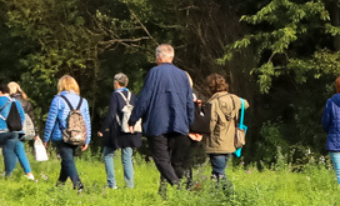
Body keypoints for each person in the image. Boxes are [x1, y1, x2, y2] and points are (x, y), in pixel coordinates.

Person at [132, 45, 195, 192]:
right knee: (174, 162)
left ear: (159, 57)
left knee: (162, 160)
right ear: (172, 57)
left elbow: (144, 98)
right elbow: (188, 102)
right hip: (179, 123)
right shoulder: (182, 75)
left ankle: (178, 188)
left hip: (157, 123)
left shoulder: (154, 73)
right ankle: (166, 191)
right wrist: (190, 122)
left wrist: (133, 118)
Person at [195, 73, 249, 184]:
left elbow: (210, 125)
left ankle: (231, 196)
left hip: (216, 144)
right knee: (216, 174)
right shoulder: (234, 99)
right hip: (230, 143)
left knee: (220, 174)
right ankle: (215, 197)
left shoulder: (212, 103)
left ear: (211, 88)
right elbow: (246, 104)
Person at [43, 75, 90, 191]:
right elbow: (87, 121)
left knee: (68, 160)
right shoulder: (83, 101)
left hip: (62, 135)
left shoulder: (58, 100)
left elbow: (51, 121)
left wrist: (46, 139)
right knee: (67, 160)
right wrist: (87, 139)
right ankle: (59, 186)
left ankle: (78, 185)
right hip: (78, 136)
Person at [0, 82, 36, 179]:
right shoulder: (15, 101)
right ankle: (8, 175)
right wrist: (17, 126)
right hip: (13, 132)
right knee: (9, 151)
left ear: (0, 92)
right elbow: (22, 116)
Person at [100, 72, 139, 191]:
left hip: (117, 130)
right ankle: (129, 185)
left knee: (108, 154)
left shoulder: (115, 95)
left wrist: (103, 129)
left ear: (116, 83)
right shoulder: (133, 96)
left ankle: (112, 184)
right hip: (130, 130)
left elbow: (112, 114)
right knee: (127, 157)